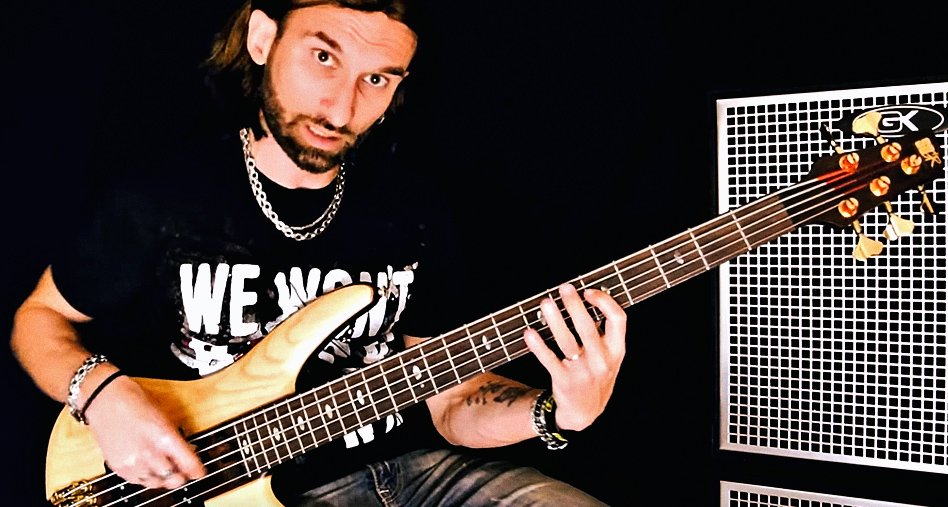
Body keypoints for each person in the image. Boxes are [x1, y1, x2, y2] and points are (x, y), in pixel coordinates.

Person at [10, 1, 627, 505]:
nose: (342, 106)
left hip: (418, 473)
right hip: (230, 490)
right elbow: (38, 320)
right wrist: (105, 396)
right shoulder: (165, 197)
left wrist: (556, 412)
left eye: (377, 79)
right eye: (323, 56)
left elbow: (449, 400)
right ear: (262, 39)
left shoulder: (414, 208)